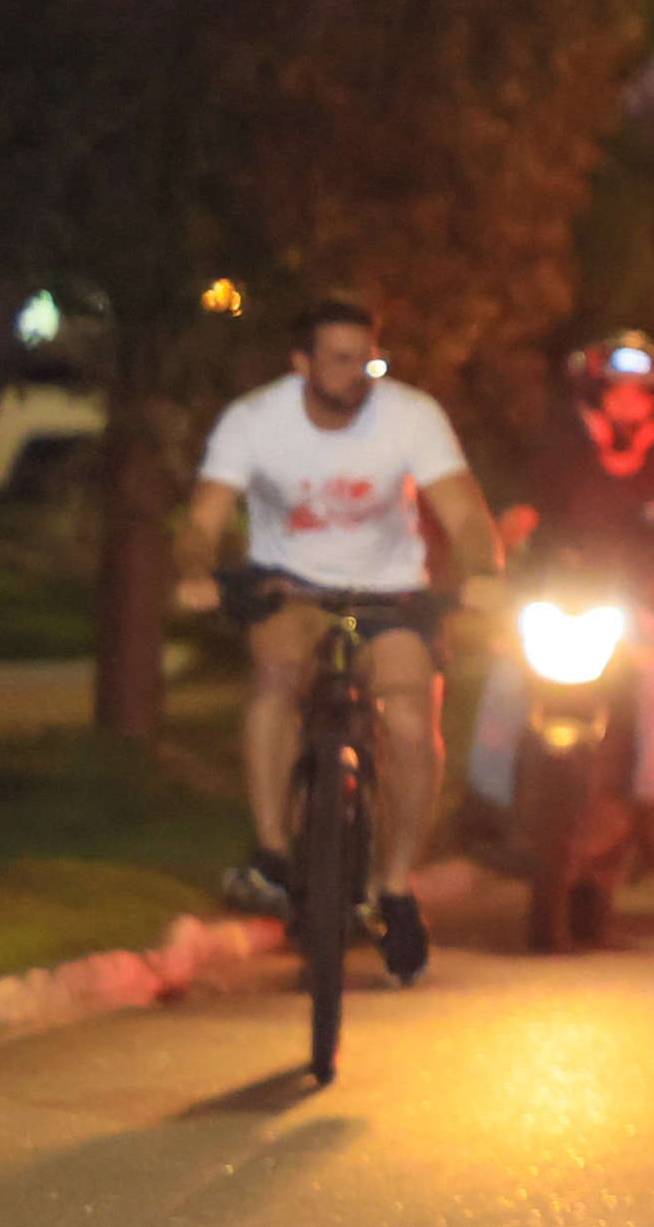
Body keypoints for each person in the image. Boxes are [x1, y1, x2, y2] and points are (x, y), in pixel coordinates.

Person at [175, 298, 494, 976]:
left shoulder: (411, 415)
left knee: (410, 718)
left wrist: (483, 572)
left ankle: (396, 887)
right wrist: (196, 569)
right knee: (275, 679)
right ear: (302, 363)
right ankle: (272, 854)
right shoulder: (254, 420)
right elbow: (202, 517)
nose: (358, 375)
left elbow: (465, 513)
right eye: (340, 360)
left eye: (367, 361)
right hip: (291, 589)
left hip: (389, 593)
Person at [474, 331, 654, 867]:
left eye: (641, 394)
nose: (629, 404)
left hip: (638, 612)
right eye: (617, 391)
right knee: (506, 681)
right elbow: (519, 519)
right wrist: (492, 561)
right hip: (554, 605)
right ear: (595, 396)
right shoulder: (559, 458)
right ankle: (485, 805)